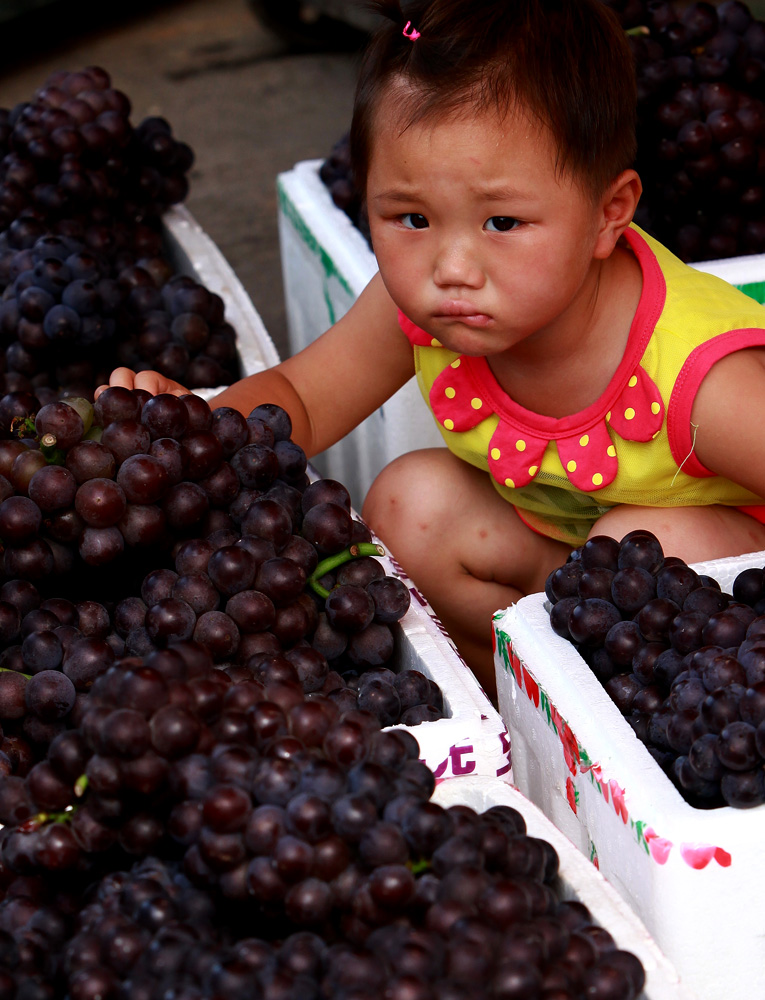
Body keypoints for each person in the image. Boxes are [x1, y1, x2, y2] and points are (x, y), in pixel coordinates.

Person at [100, 0, 765, 698]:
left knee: (642, 547)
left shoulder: (702, 382)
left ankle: (645, 728)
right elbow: (302, 397)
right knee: (411, 503)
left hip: (714, 604)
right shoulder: (420, 307)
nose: (451, 265)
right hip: (577, 571)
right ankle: (523, 709)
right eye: (410, 218)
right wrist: (195, 435)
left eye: (501, 221)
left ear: (609, 213)